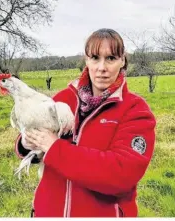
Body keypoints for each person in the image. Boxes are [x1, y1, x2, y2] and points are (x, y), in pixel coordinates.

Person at [14, 28, 156, 217]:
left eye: (111, 58)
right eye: (95, 58)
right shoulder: (63, 100)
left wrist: (55, 148)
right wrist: (26, 143)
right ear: (87, 60)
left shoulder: (135, 110)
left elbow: (120, 174)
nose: (102, 67)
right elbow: (37, 136)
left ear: (122, 61)